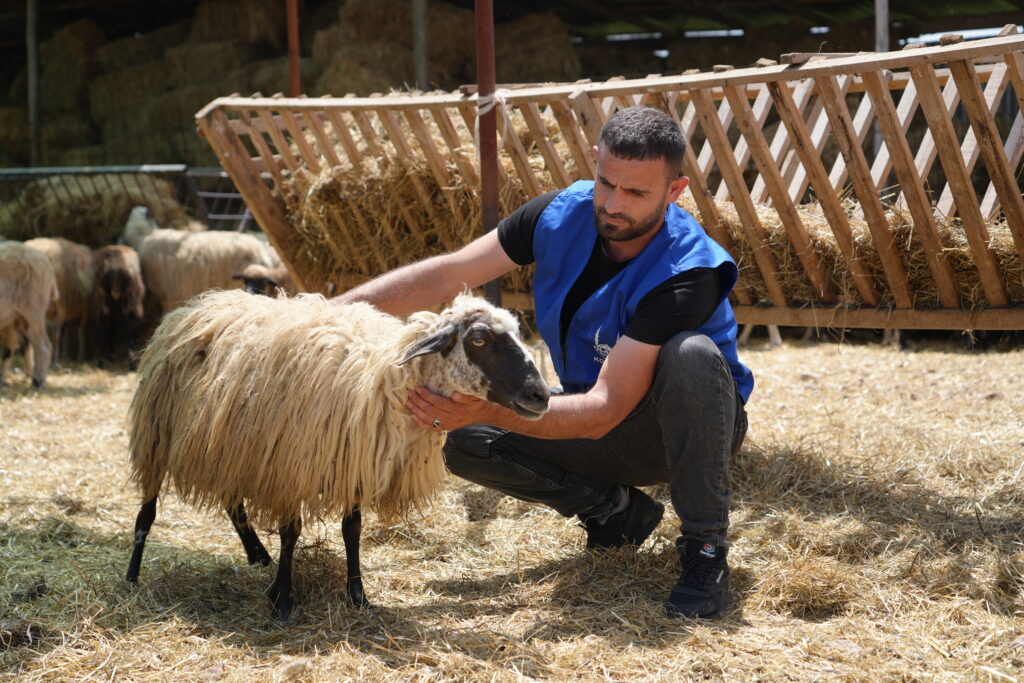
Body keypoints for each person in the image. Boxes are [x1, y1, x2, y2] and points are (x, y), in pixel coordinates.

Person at [333, 106, 752, 619]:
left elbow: (605, 409)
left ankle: (706, 550)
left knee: (691, 354)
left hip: (677, 431)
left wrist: (485, 408)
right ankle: (615, 512)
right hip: (593, 416)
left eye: (636, 193)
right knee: (461, 437)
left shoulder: (688, 269)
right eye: (606, 183)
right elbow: (447, 275)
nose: (613, 204)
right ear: (595, 161)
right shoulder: (560, 213)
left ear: (675, 190)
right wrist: (323, 315)